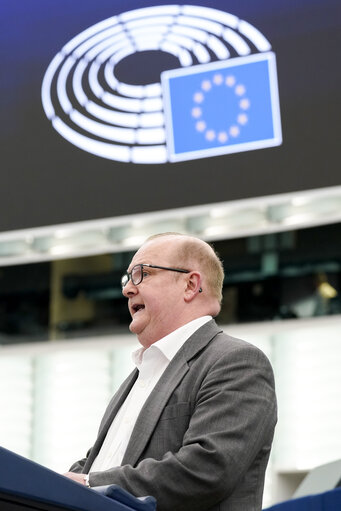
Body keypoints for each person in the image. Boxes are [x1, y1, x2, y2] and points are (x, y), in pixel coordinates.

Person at [65, 233, 277, 511]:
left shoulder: (236, 361)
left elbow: (206, 468)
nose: (127, 289)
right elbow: (98, 465)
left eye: (142, 274)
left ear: (190, 285)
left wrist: (88, 484)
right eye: (127, 278)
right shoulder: (140, 376)